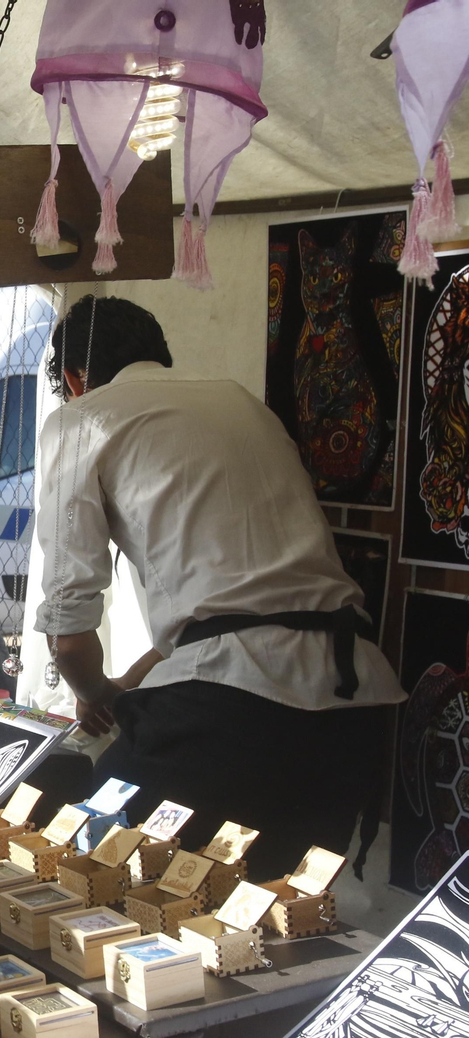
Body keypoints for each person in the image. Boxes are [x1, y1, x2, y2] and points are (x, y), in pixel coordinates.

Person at [34, 295, 405, 879]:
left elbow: (70, 628)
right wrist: (136, 681)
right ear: (159, 354)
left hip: (232, 715)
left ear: (75, 380)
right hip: (351, 703)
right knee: (268, 921)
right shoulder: (242, 404)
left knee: (93, 872)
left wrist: (96, 692)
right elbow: (247, 600)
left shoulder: (81, 421)